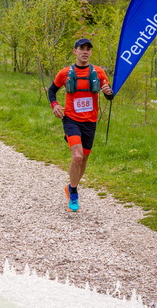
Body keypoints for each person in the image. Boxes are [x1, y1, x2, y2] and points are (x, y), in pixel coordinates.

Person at [48, 38, 114, 212]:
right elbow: (52, 90)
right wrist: (54, 105)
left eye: (88, 49)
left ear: (91, 52)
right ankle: (74, 194)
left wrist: (109, 93)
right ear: (75, 51)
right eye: (81, 48)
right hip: (71, 119)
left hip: (90, 122)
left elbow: (109, 95)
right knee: (77, 156)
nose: (85, 52)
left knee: (83, 159)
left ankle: (71, 186)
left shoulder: (99, 72)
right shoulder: (65, 73)